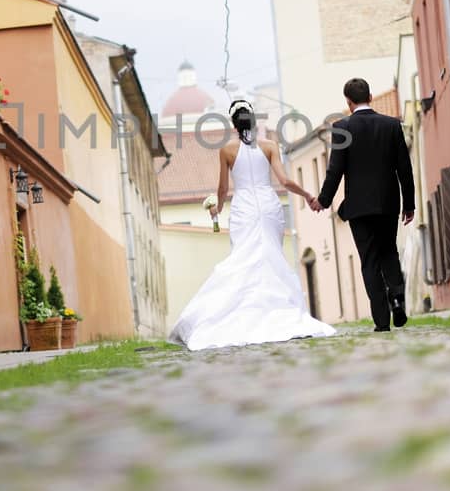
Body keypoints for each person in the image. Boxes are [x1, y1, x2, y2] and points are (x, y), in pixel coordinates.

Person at [168, 101, 337, 351]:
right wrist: (307, 195)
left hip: (244, 208)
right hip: (269, 206)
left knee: (244, 257)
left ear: (234, 125)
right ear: (254, 122)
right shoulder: (269, 146)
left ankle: (241, 311)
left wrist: (217, 209)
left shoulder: (226, 150)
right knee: (270, 255)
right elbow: (285, 180)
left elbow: (223, 189)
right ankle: (276, 310)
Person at [314, 78, 416, 332]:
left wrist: (323, 201)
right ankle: (397, 299)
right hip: (388, 203)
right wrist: (409, 204)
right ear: (370, 97)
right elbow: (405, 167)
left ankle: (382, 321)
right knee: (389, 252)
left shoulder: (342, 128)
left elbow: (335, 170)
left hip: (359, 208)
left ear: (348, 102)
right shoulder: (392, 125)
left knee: (369, 261)